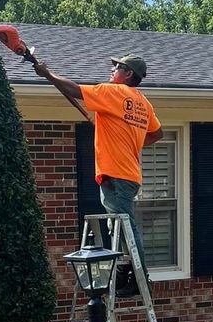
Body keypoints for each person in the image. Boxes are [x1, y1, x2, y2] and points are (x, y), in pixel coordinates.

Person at [31, 53, 162, 294]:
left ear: (129, 73)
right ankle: (125, 270)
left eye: (117, 67)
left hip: (116, 174)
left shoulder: (113, 92)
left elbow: (74, 90)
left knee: (126, 227)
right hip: (129, 174)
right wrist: (126, 138)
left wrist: (47, 74)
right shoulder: (143, 103)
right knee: (117, 227)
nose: (112, 70)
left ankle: (140, 277)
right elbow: (157, 133)